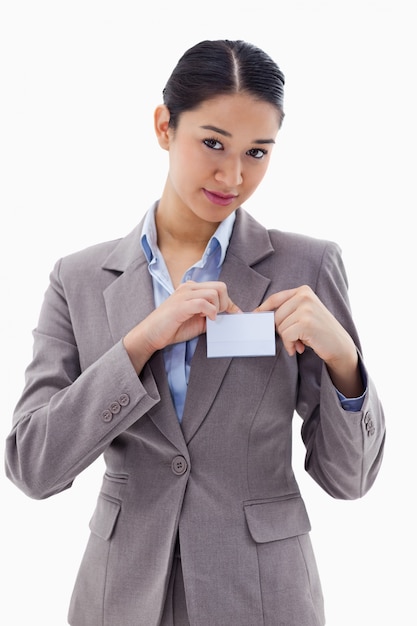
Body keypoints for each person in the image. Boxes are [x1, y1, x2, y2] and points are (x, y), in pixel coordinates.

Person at [5, 39, 385, 626]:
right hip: (119, 600)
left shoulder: (306, 267)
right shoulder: (77, 279)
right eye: (212, 143)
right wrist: (138, 345)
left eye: (257, 152)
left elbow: (349, 480)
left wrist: (344, 363)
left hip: (262, 599)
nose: (233, 175)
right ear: (164, 127)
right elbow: (32, 466)